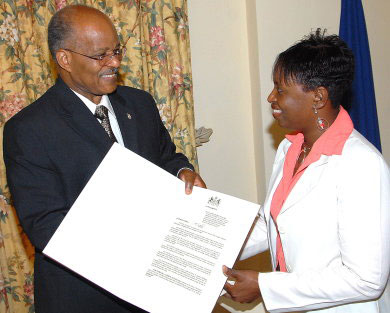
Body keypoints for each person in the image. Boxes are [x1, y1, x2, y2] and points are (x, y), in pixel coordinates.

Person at [3, 4, 205, 313]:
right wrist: (130, 242)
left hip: (158, 287)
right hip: (85, 296)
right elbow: (47, 226)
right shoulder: (29, 129)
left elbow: (166, 155)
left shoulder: (140, 103)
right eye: (100, 56)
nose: (114, 63)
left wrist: (183, 171)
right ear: (65, 59)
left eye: (117, 51)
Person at [222, 29, 390, 312]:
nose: (270, 97)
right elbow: (273, 221)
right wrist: (215, 249)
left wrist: (266, 286)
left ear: (318, 97)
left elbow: (367, 279)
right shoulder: (290, 148)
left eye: (280, 89)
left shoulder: (361, 165)